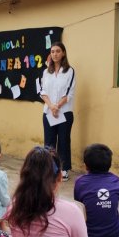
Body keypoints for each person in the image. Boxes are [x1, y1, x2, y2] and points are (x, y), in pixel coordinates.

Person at [74, 143, 119, 237]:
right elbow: (118, 197)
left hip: (89, 234)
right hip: (113, 232)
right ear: (109, 164)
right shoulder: (115, 180)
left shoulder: (80, 182)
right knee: (113, 216)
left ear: (86, 165)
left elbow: (79, 205)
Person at [39, 41, 76, 182]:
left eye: (58, 51)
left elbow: (69, 93)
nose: (55, 54)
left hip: (65, 112)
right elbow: (42, 91)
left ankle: (63, 169)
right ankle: (50, 169)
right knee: (49, 142)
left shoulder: (69, 71)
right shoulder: (45, 72)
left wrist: (57, 107)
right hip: (48, 112)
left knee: (63, 141)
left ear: (63, 53)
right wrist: (51, 106)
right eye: (53, 51)